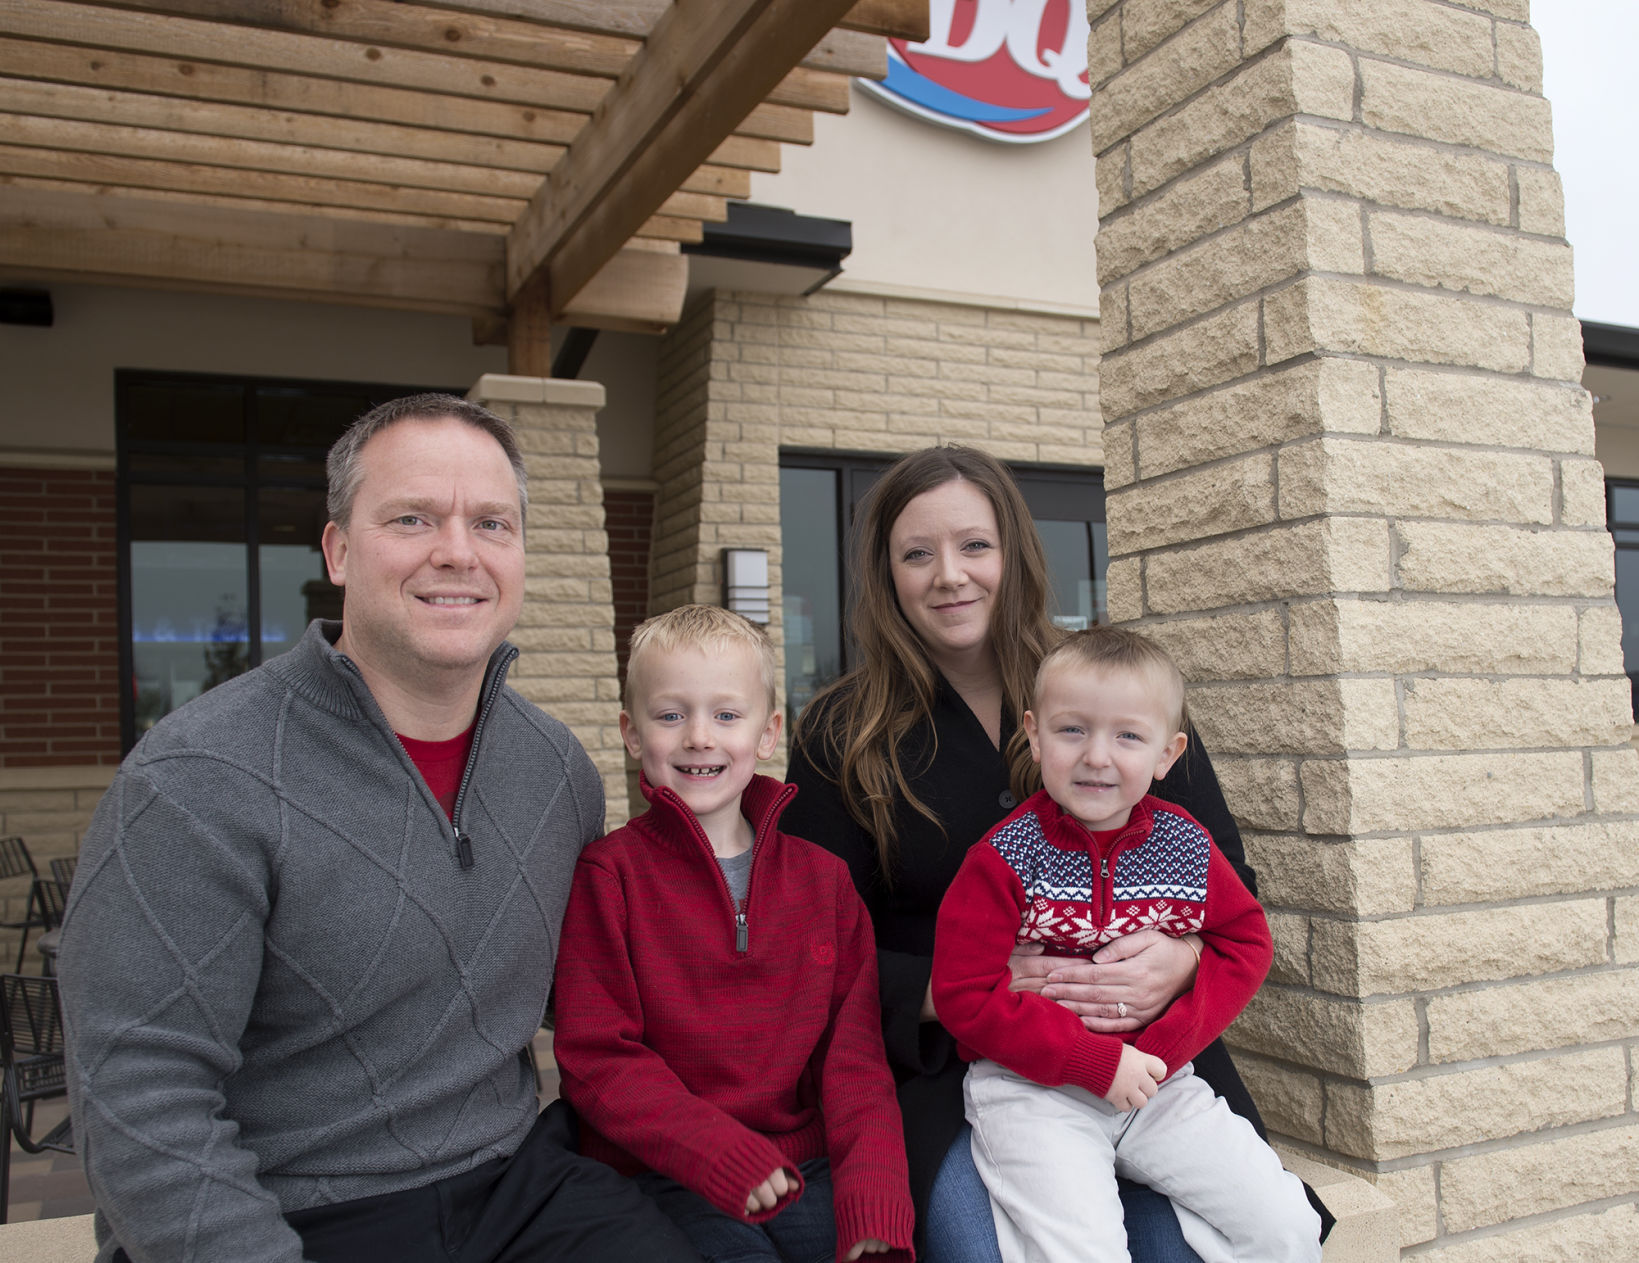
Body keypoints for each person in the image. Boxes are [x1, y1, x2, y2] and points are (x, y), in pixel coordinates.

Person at [57, 394, 700, 1263]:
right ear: (338, 549)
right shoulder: (197, 779)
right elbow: (137, 1098)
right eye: (412, 517)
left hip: (514, 1186)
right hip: (290, 1211)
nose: (457, 552)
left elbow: (614, 1000)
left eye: (491, 523)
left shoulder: (557, 770)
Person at [783, 445, 1327, 1263]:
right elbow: (812, 941)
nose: (949, 575)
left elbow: (1227, 889)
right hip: (964, 1063)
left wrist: (1178, 959)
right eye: (916, 553)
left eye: (973, 545)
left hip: (1150, 1055)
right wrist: (942, 990)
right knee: (984, 1250)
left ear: (1012, 552)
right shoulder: (838, 733)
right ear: (884, 571)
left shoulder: (1113, 690)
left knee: (1197, 1247)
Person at [931, 627, 1320, 1263]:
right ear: (1034, 734)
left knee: (1285, 1223)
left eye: (1128, 736)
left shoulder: (1186, 845)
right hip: (1033, 1092)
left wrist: (1161, 1052)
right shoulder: (1002, 858)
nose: (1097, 757)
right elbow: (962, 995)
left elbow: (1245, 942)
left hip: (1159, 1087)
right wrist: (1095, 1063)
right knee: (1086, 1250)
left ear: (1168, 754)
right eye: (1072, 730)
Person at [553, 605, 915, 1263]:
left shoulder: (824, 882)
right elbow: (596, 1056)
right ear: (631, 734)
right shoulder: (610, 876)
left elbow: (855, 1062)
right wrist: (716, 1152)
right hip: (666, 1173)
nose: (699, 736)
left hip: (808, 1172)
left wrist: (873, 1193)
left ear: (769, 730)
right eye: (670, 715)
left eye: (725, 714)